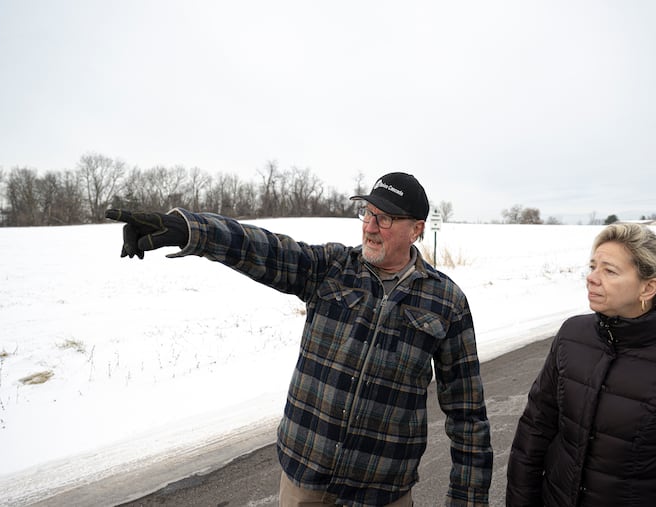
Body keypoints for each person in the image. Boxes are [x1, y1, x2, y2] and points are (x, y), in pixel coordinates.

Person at [106, 172, 493, 506]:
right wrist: (188, 229)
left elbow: (467, 415)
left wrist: (468, 500)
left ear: (417, 229)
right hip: (305, 483)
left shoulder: (446, 302)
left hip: (383, 492)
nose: (370, 227)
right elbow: (263, 248)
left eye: (386, 218)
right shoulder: (332, 269)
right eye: (367, 213)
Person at [505, 223, 656, 506]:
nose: (591, 278)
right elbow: (535, 429)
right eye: (593, 267)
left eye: (609, 271)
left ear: (648, 288)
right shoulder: (571, 336)